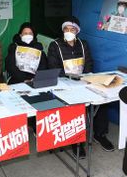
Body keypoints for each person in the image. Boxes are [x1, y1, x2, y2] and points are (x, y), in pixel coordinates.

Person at [48, 16, 114, 158]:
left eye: (72, 29)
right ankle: (77, 142)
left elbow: (89, 62)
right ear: (63, 30)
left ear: (77, 31)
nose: (69, 31)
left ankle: (100, 135)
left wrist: (85, 77)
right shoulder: (55, 45)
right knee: (76, 107)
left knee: (101, 101)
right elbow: (53, 66)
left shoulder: (83, 44)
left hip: (84, 81)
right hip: (64, 83)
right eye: (66, 28)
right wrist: (70, 77)